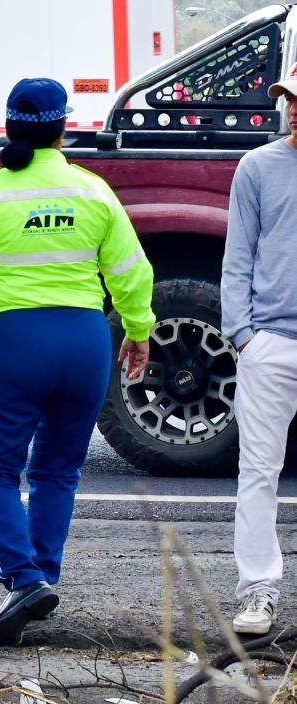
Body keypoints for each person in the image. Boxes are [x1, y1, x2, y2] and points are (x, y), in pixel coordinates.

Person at [0, 78, 154, 649]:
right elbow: (131, 270)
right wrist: (139, 330)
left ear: (8, 127)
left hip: (17, 339)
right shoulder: (92, 190)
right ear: (62, 128)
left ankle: (23, 578)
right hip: (84, 339)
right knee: (58, 469)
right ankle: (42, 578)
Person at [222, 73, 297, 636]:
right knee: (259, 472)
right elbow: (238, 254)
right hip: (270, 341)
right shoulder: (257, 167)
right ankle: (257, 592)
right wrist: (242, 335)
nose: (293, 111)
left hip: (267, 340)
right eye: (290, 100)